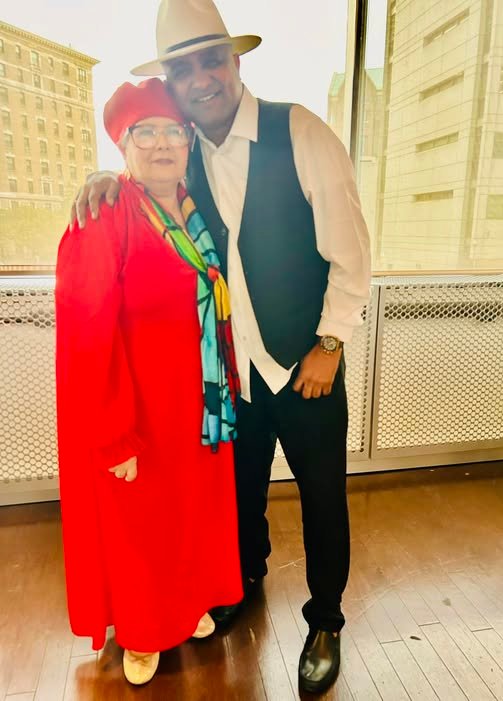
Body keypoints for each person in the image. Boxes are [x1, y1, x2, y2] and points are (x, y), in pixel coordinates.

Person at [72, 0, 371, 693]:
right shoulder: (182, 157)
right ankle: (244, 581)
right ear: (173, 86)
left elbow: (351, 250)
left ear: (235, 63)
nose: (201, 78)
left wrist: (330, 343)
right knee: (241, 494)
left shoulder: (300, 131)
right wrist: (103, 178)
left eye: (212, 60)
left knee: (323, 497)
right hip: (231, 374)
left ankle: (326, 620)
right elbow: (146, 191)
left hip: (306, 364)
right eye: (184, 70)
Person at [55, 77, 243, 686]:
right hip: (137, 410)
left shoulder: (190, 208)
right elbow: (87, 332)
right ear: (123, 144)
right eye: (146, 133)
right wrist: (114, 433)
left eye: (172, 132)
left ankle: (183, 607)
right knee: (140, 527)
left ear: (188, 141)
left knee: (185, 519)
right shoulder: (106, 215)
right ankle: (141, 630)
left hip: (197, 405)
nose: (162, 144)